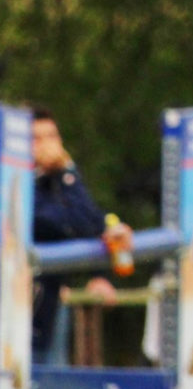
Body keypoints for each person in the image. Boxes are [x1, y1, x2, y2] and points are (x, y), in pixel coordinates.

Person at [30, 106, 133, 365]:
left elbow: (90, 221)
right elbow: (58, 223)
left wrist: (67, 171)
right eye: (36, 138)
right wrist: (67, 174)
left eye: (53, 137)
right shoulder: (14, 184)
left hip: (47, 309)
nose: (47, 146)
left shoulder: (58, 180)